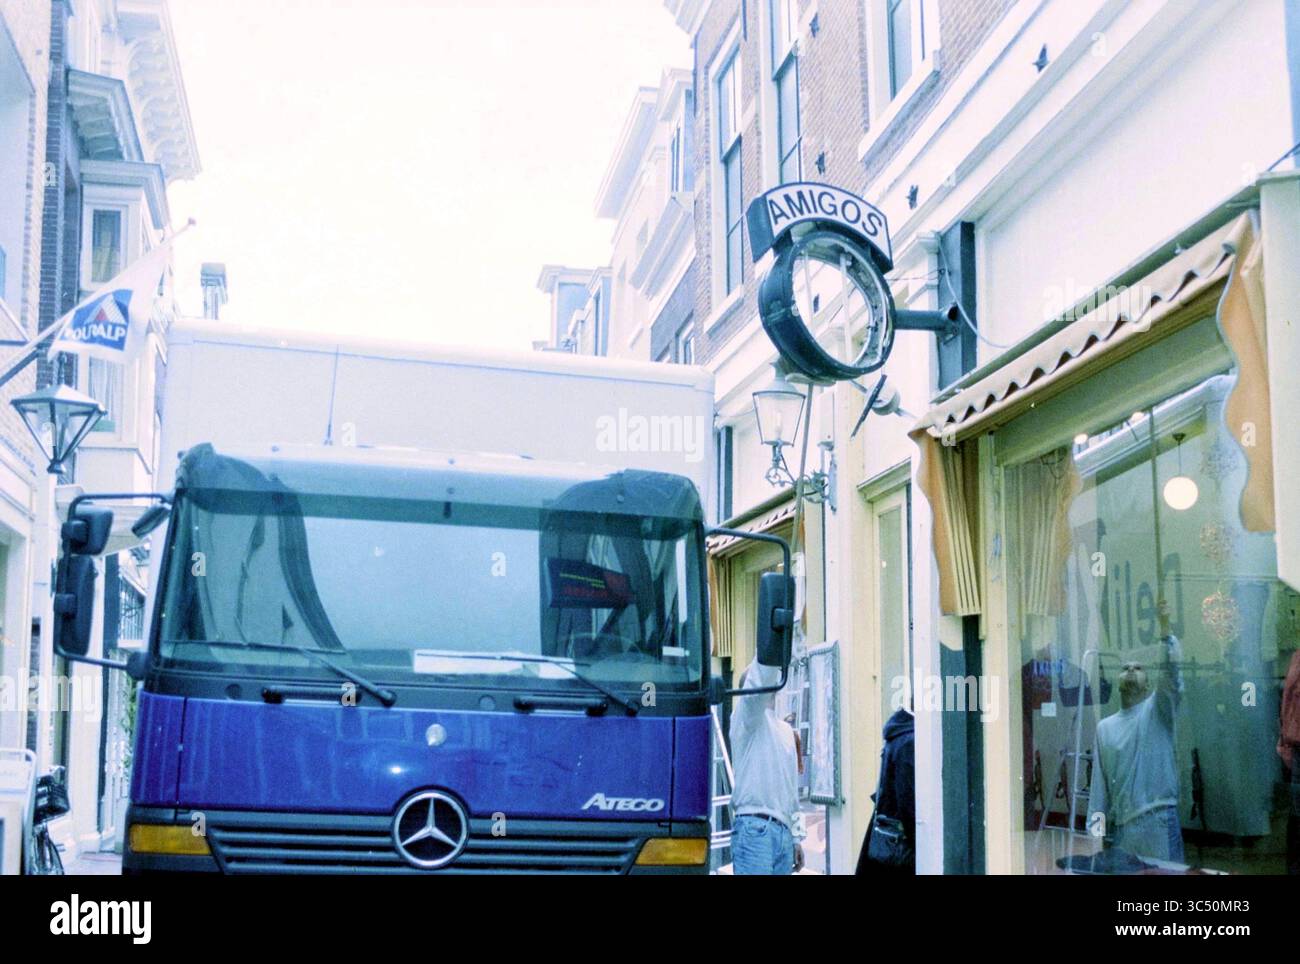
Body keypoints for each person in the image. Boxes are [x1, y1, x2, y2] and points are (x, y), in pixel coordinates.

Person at [1088, 634, 1185, 864]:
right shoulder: (1105, 728)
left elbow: (1172, 679)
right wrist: (1095, 837)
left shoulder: (1157, 712)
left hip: (1159, 821)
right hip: (1123, 828)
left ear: (1149, 683)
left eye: (1138, 667)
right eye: (1125, 668)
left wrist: (1167, 638)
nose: (1131, 670)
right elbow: (1098, 791)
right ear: (1117, 681)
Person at [729, 658, 803, 874]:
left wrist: (796, 836)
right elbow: (757, 687)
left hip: (783, 831)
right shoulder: (744, 720)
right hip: (754, 828)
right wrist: (770, 643)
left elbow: (791, 790)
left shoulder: (787, 732)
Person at [855, 704, 915, 874]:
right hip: (900, 848)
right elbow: (908, 805)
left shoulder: (898, 736)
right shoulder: (909, 741)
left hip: (887, 842)